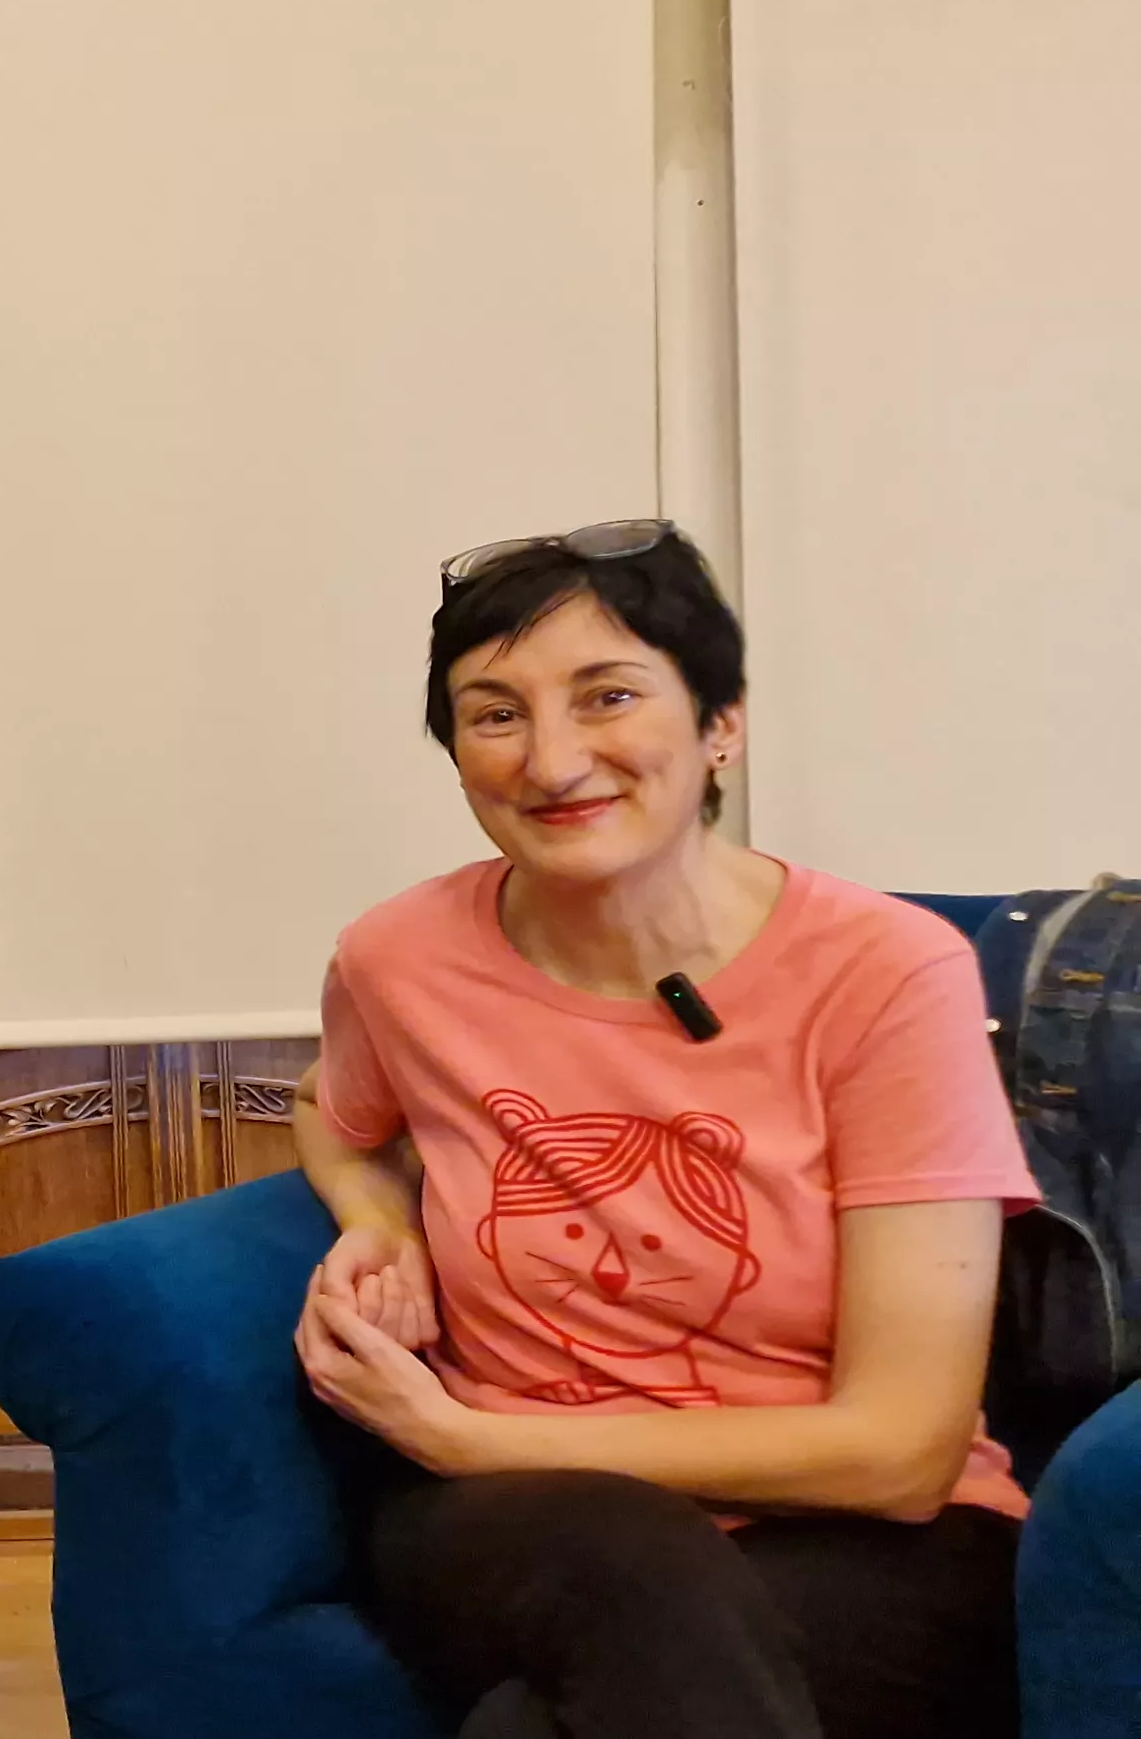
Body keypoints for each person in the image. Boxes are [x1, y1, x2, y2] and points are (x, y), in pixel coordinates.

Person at [288, 522, 1035, 1739]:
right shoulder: (399, 959)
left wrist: (469, 1438)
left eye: (609, 696)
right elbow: (330, 1109)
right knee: (618, 1549)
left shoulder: (886, 973)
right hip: (525, 1518)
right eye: (494, 714)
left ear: (718, 725)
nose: (552, 758)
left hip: (859, 1531)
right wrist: (379, 1217)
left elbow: (901, 1450)